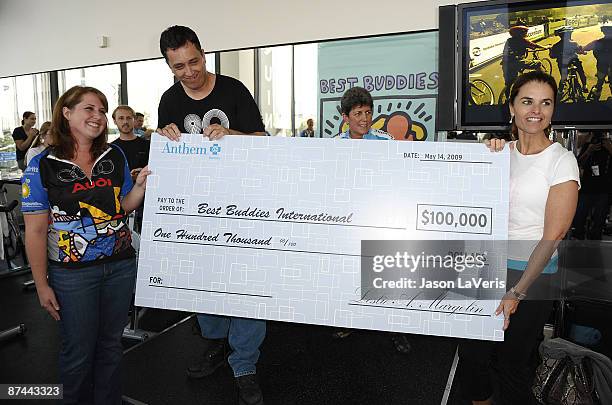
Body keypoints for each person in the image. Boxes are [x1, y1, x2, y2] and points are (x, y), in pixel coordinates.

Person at [156, 25, 266, 405]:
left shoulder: (234, 90)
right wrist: (163, 137)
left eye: (194, 61)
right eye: (179, 66)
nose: (189, 72)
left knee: (247, 285)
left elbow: (263, 143)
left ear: (204, 53)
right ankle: (216, 345)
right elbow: (168, 159)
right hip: (198, 210)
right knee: (206, 283)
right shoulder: (169, 100)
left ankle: (245, 362)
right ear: (169, 66)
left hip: (242, 205)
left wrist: (233, 134)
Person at [21, 85, 150, 405]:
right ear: (67, 113)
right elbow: (35, 232)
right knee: (78, 351)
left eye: (102, 110)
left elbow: (123, 207)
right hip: (73, 274)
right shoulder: (42, 164)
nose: (98, 116)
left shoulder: (113, 154)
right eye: (89, 109)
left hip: (120, 265)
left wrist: (143, 186)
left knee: (110, 346)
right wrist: (41, 285)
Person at [457, 71, 580, 405]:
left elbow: (554, 235)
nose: (535, 110)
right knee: (472, 354)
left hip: (534, 277)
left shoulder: (561, 161)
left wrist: (517, 291)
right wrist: (483, 158)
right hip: (486, 266)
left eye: (545, 103)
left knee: (513, 361)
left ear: (553, 110)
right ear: (512, 107)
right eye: (527, 101)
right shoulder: (497, 154)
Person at [331, 86, 411, 354]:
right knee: (350, 272)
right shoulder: (334, 146)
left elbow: (399, 180)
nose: (364, 119)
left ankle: (395, 328)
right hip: (349, 221)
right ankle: (350, 319)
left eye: (368, 112)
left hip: (381, 218)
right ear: (345, 117)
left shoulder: (386, 141)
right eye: (358, 114)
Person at [572, 131, 612, 240]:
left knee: (599, 220)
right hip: (587, 188)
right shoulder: (588, 146)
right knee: (579, 217)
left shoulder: (609, 145)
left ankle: (595, 239)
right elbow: (579, 163)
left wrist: (609, 148)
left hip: (604, 188)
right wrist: (589, 151)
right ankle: (578, 237)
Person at [501, 25, 549, 100]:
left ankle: (507, 97)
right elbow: (534, 45)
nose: (526, 33)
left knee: (509, 82)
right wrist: (545, 47)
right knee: (538, 63)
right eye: (524, 32)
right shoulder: (522, 40)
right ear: (520, 33)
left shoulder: (509, 40)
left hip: (505, 63)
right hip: (518, 62)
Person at [549, 26, 587, 94]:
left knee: (563, 77)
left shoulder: (556, 46)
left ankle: (560, 90)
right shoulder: (574, 43)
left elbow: (552, 56)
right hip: (574, 61)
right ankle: (584, 86)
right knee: (581, 73)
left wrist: (552, 51)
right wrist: (583, 52)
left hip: (562, 63)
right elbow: (579, 51)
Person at [583, 24, 612, 101]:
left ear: (603, 32)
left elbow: (586, 47)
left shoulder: (599, 42)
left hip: (602, 66)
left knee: (600, 82)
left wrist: (581, 49)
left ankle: (596, 95)